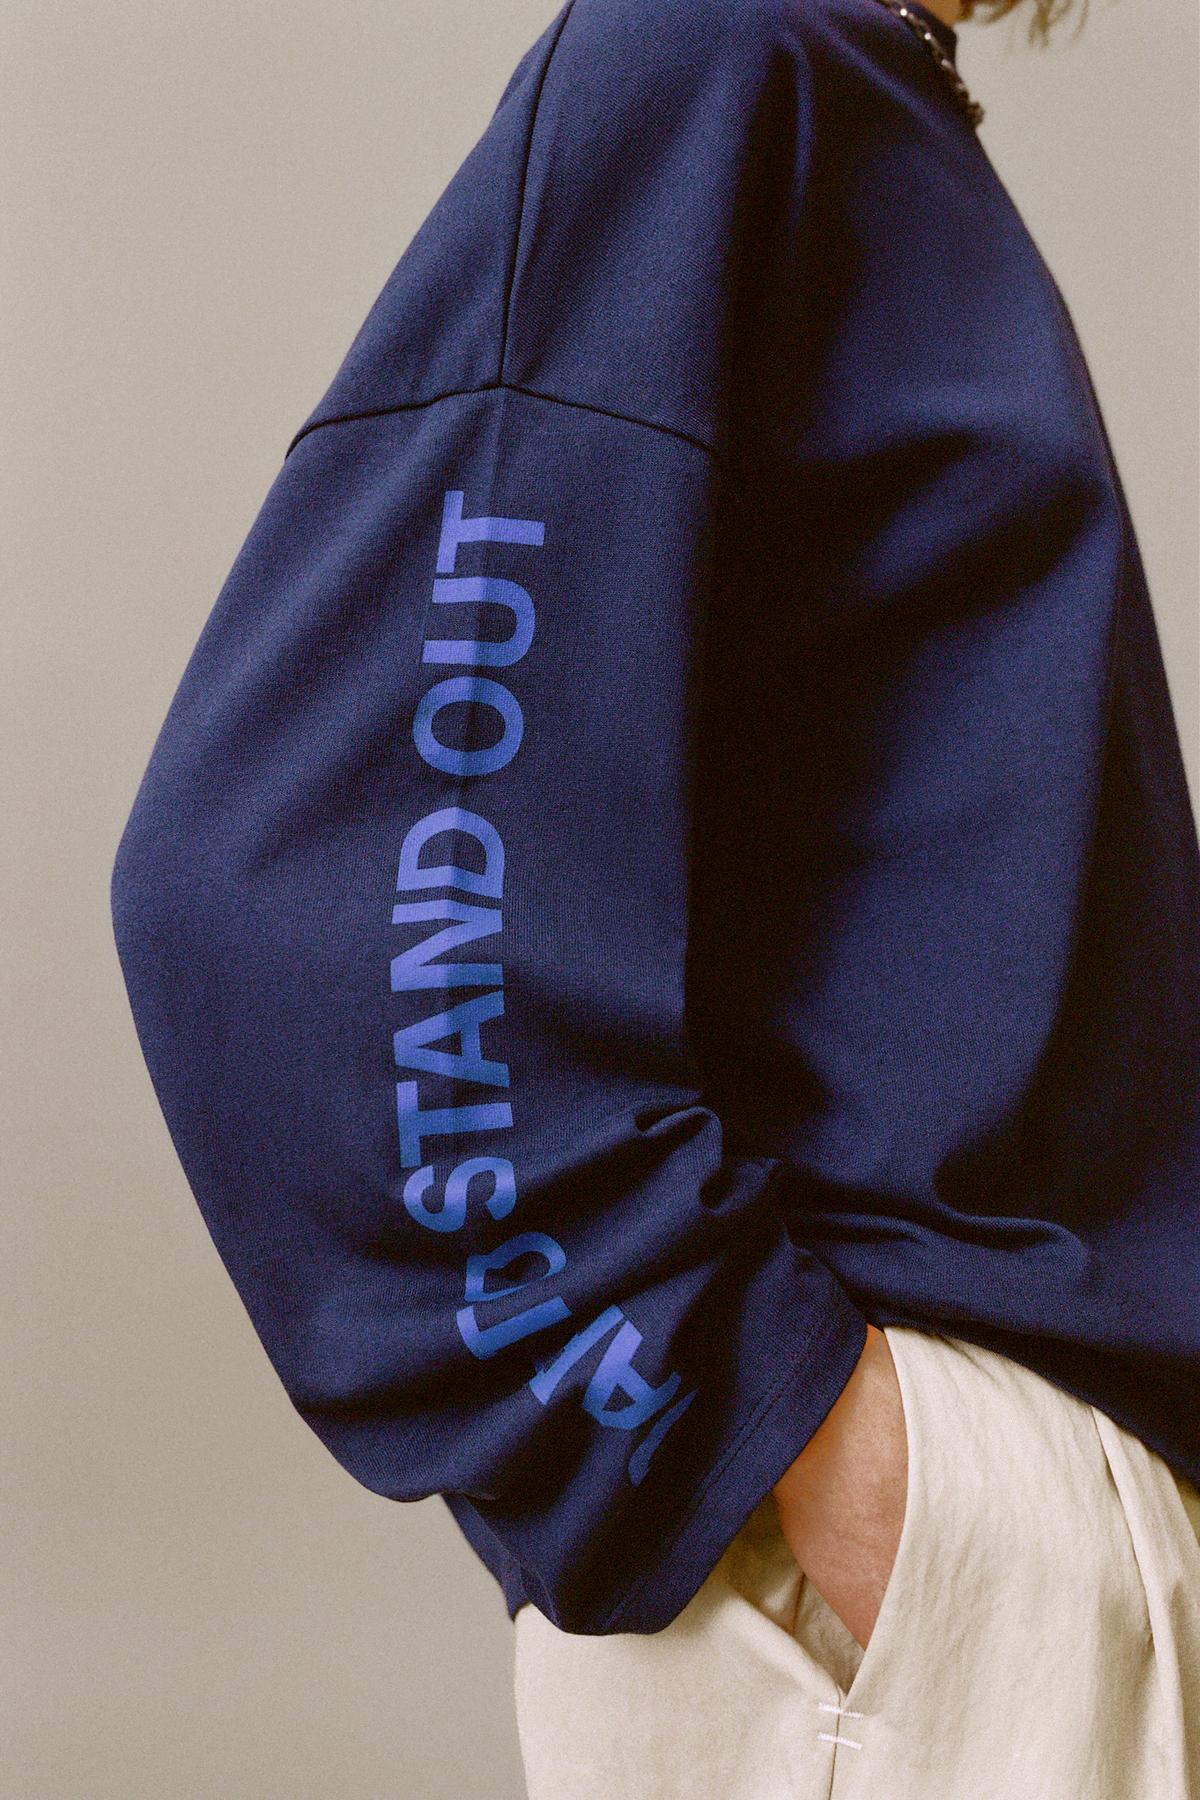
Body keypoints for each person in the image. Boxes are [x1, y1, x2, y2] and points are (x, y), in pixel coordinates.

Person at [109, 0, 1200, 1792]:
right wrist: (755, 1427)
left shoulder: (847, 94)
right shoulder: (714, 55)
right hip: (894, 1601)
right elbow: (285, 896)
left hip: (1025, 1546)